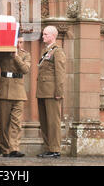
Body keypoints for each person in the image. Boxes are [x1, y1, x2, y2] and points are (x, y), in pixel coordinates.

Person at [0, 34, 30, 157]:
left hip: (18, 91)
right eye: (17, 42)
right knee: (3, 122)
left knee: (16, 122)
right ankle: (5, 149)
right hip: (4, 90)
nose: (19, 45)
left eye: (21, 42)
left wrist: (16, 56)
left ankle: (14, 148)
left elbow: (25, 69)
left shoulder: (25, 54)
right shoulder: (2, 54)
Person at [36, 26, 66, 158]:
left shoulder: (57, 52)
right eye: (43, 34)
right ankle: (49, 147)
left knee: (53, 121)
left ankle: (55, 149)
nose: (43, 37)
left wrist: (59, 92)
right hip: (43, 91)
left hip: (52, 92)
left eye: (46, 34)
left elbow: (60, 73)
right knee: (45, 121)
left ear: (53, 36)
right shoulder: (46, 51)